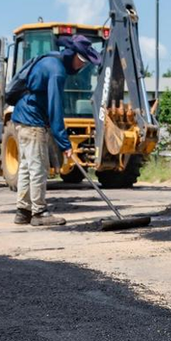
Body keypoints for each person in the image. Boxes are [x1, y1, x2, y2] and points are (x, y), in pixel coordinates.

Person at [10, 35, 101, 226]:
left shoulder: (51, 59)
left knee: (27, 167)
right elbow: (55, 108)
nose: (82, 66)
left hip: (22, 119)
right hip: (32, 121)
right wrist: (64, 143)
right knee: (38, 168)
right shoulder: (57, 71)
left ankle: (23, 211)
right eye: (82, 61)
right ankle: (39, 213)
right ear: (74, 56)